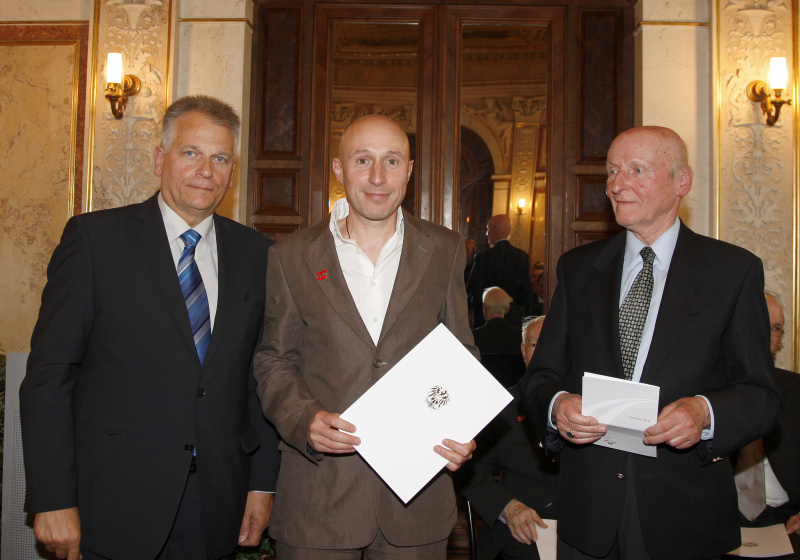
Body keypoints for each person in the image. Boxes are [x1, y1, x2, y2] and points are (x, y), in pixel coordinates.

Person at [20, 95, 280, 560]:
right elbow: (49, 376)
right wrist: (53, 496)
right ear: (160, 158)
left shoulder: (258, 255)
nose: (206, 170)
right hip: (115, 502)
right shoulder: (95, 240)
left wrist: (261, 485)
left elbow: (257, 381)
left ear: (232, 172)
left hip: (216, 506)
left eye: (220, 158)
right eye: (190, 152)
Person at [520, 125, 780, 560]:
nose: (616, 185)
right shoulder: (579, 269)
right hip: (588, 512)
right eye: (612, 171)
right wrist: (557, 404)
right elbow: (539, 376)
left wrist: (704, 411)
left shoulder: (732, 272)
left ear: (682, 181)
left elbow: (762, 396)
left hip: (684, 515)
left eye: (636, 170)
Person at [252, 115, 477, 559]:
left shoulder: (445, 249)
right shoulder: (290, 256)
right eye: (362, 160)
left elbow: (461, 356)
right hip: (319, 498)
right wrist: (303, 418)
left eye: (391, 161)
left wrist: (460, 426)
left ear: (409, 171)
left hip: (417, 498)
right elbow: (274, 359)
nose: (377, 177)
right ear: (339, 169)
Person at [458, 315, 558, 560]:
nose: (543, 352)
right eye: (535, 344)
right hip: (520, 530)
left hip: (582, 527)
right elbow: (469, 471)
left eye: (552, 343)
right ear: (523, 350)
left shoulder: (589, 408)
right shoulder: (500, 408)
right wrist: (508, 507)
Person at [729, 293, 800, 559]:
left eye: (776, 327)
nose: (768, 334)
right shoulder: (703, 392)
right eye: (760, 321)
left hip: (785, 520)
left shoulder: (797, 389)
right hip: (717, 519)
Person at [468, 214, 534, 328]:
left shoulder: (483, 257)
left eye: (488, 229)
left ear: (495, 229)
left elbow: (473, 288)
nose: (486, 233)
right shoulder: (522, 256)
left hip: (485, 319)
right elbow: (525, 293)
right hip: (513, 320)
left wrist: (475, 307)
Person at [472, 287, 526, 388]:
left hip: (482, 389)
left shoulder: (473, 338)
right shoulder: (520, 336)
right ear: (508, 308)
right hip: (513, 391)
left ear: (484, 306)